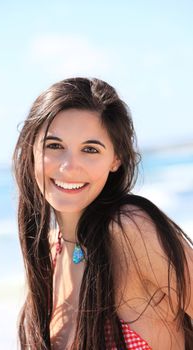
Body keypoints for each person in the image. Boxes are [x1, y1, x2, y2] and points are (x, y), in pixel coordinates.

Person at [13, 77, 193, 350]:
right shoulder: (49, 253)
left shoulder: (129, 229)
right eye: (54, 146)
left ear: (116, 159)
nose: (68, 167)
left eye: (90, 149)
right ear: (31, 151)